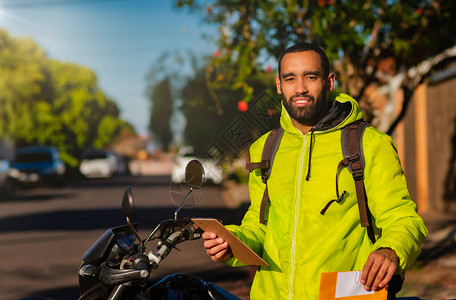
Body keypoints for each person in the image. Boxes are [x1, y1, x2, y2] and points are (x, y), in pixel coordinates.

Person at [202, 43, 428, 299]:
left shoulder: (370, 144)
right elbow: (261, 227)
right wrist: (233, 242)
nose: (300, 88)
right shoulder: (265, 148)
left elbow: (403, 219)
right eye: (290, 78)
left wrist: (391, 249)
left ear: (329, 81)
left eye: (311, 77)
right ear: (279, 85)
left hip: (345, 295)